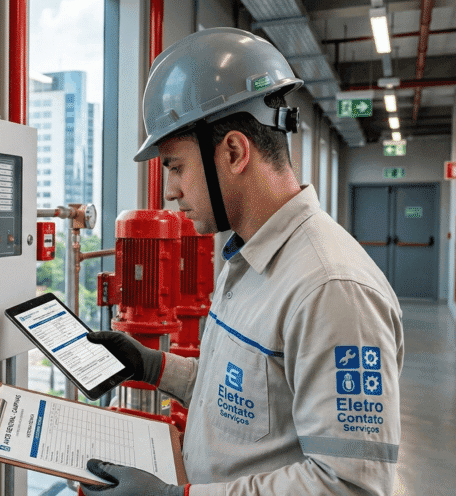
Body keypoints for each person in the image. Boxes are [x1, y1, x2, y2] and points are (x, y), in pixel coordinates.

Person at [80, 27, 404, 496]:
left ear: (233, 151)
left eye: (175, 166)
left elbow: (348, 486)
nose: (170, 191)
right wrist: (154, 366)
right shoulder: (246, 258)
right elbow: (248, 403)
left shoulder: (331, 289)